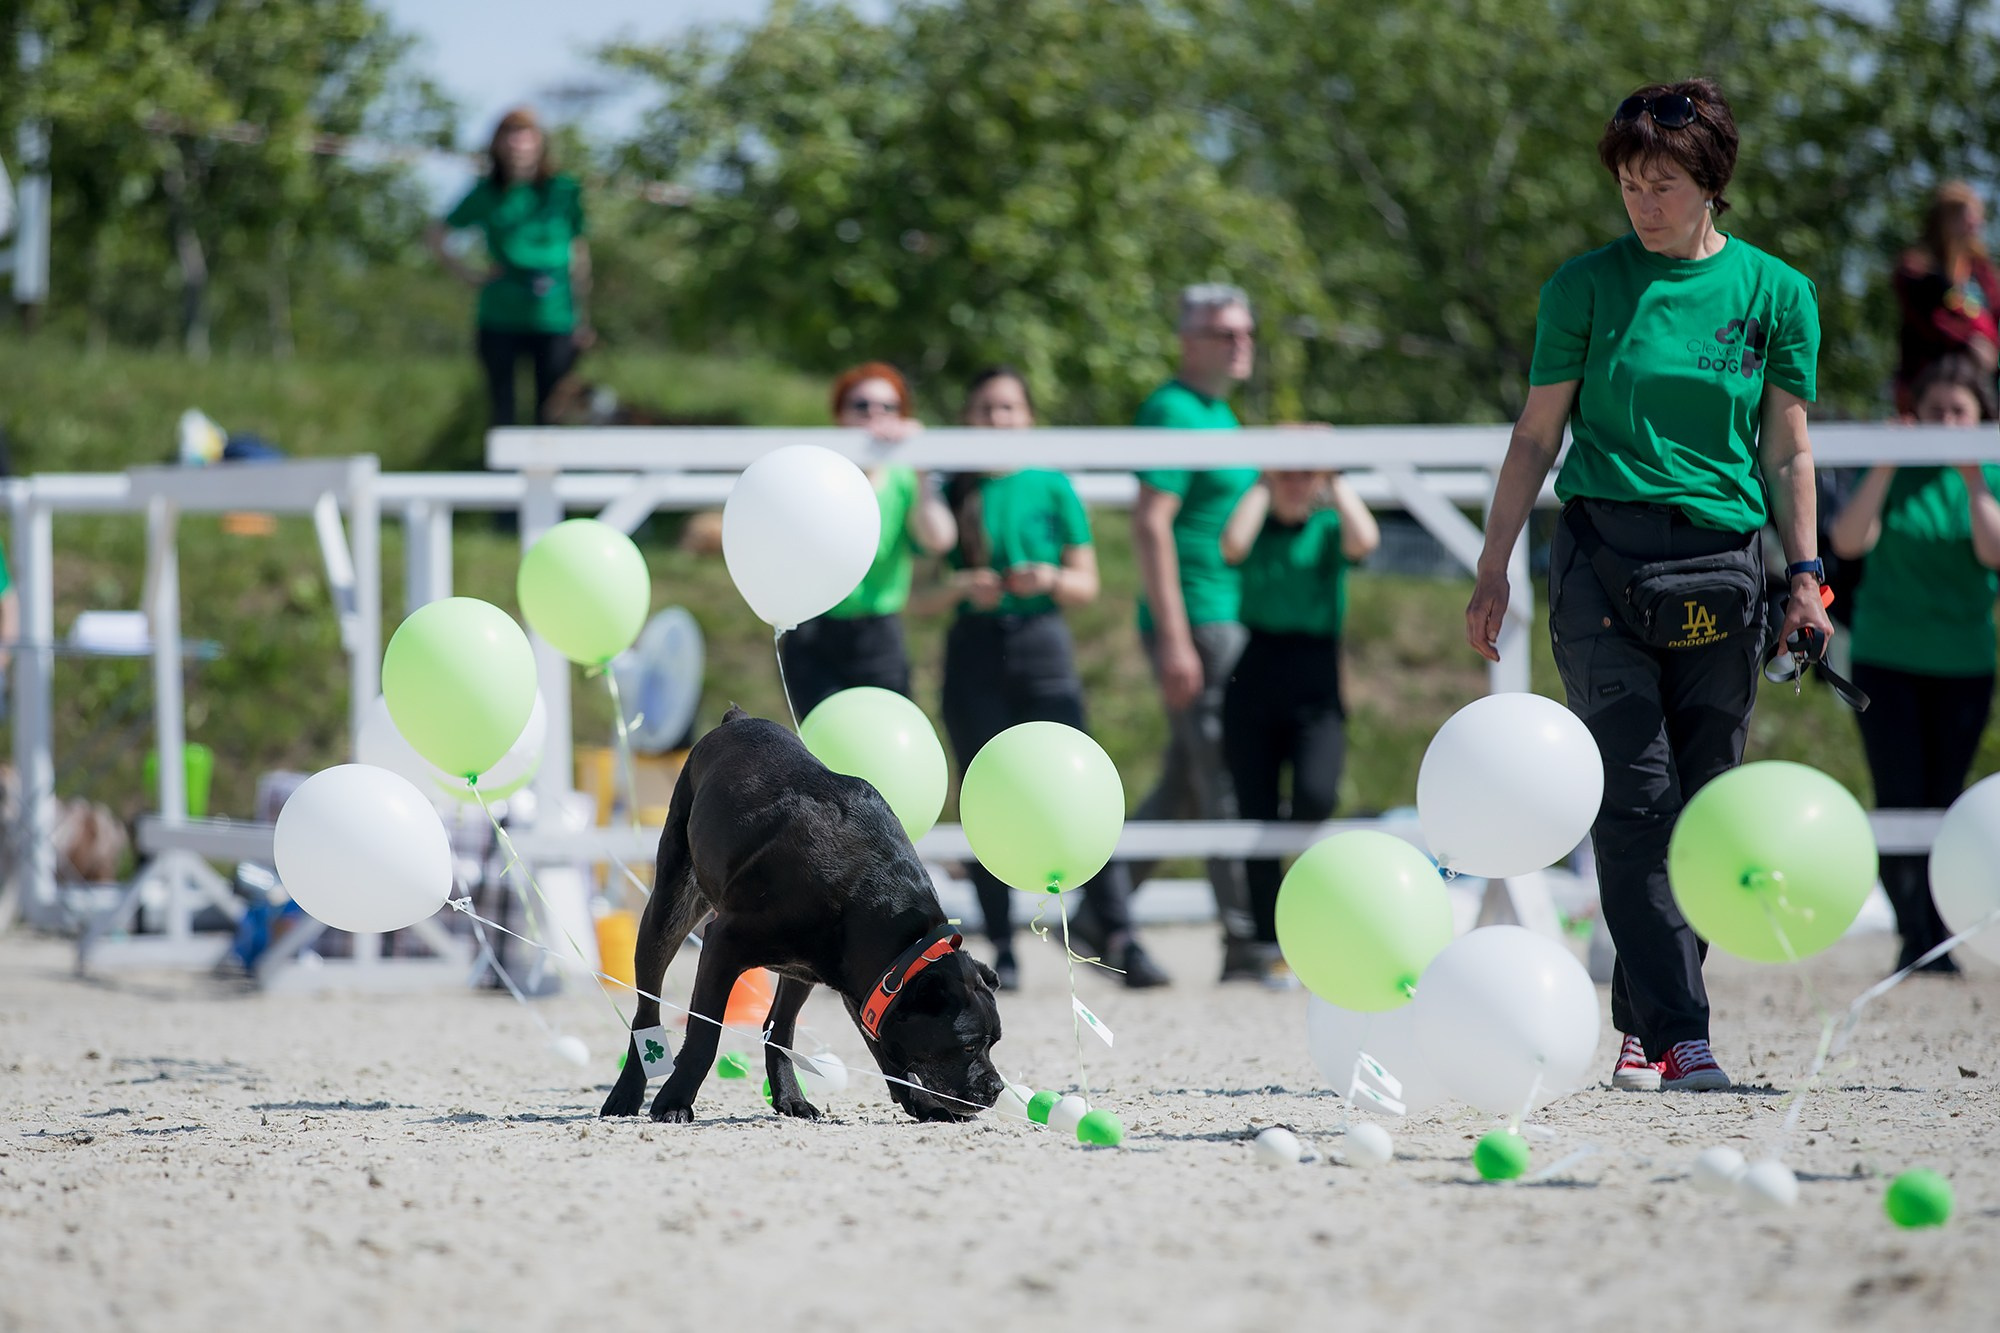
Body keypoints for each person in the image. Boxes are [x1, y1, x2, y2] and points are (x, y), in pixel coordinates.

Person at [1465, 79, 1832, 1093]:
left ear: (1709, 183)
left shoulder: (1776, 294)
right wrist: (1492, 561)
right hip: (1600, 563)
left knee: (1703, 810)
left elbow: (1787, 452)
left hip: (1722, 563)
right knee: (1631, 801)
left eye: (1661, 183)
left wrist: (1804, 577)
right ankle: (1680, 1036)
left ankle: (1643, 1022)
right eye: (1627, 183)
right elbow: (1535, 434)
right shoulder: (1581, 286)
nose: (1640, 201)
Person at [926, 368, 1168, 991]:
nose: (997, 420)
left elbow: (1087, 582)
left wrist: (1050, 580)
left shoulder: (1052, 485)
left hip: (1042, 645)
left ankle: (1117, 932)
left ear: (1028, 416)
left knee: (1080, 785)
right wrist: (961, 587)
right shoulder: (952, 490)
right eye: (984, 408)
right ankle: (1002, 947)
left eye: (1008, 407)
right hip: (974, 648)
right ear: (968, 419)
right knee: (984, 793)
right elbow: (917, 593)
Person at [1829, 353, 2000, 974]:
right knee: (1897, 797)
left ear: (1983, 417)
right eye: (1936, 412)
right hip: (1886, 658)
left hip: (1965, 662)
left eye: (1961, 412)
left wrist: (1974, 477)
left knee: (1946, 800)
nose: (1947, 423)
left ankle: (1941, 935)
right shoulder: (1892, 470)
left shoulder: (1991, 472)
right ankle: (1915, 938)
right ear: (1913, 415)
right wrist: (1885, 462)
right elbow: (1847, 540)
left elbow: (1995, 552)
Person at [1130, 283, 1263, 980]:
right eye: (1225, 333)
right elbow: (1151, 522)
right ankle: (1243, 941)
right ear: (1189, 340)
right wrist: (1175, 638)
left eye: (1246, 332)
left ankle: (1103, 905)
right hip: (1197, 618)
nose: (1242, 343)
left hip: (1229, 612)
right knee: (1220, 777)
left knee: (1189, 779)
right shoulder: (1172, 410)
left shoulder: (1221, 414)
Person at [1219, 470, 1380, 986]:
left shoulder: (1330, 528)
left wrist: (1332, 478)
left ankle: (1301, 910)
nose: (1294, 481)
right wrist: (1267, 485)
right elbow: (1232, 545)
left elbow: (1367, 539)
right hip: (1256, 669)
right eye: (1284, 471)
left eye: (1303, 472)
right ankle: (1268, 943)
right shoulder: (1257, 524)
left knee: (1315, 796)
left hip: (1315, 674)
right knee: (1255, 811)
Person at [777, 362, 955, 717]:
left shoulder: (905, 478)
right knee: (818, 754)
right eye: (861, 406)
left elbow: (939, 539)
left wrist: (920, 465)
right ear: (839, 415)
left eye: (889, 407)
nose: (875, 415)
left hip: (879, 633)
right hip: (812, 629)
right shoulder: (815, 473)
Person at [428, 108, 591, 430]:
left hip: (555, 314)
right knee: (503, 407)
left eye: (525, 133)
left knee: (553, 409)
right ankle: (502, 479)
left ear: (540, 141)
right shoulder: (487, 192)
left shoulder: (563, 190)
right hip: (501, 314)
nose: (518, 143)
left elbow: (579, 251)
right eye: (510, 134)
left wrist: (584, 316)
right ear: (498, 144)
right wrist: (469, 274)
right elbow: (436, 235)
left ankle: (548, 478)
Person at [1892, 182, 2000, 417]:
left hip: (1980, 383)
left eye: (1977, 218)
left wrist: (1991, 346)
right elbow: (1927, 320)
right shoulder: (1918, 269)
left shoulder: (1981, 270)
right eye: (1967, 217)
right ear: (1945, 219)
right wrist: (1967, 341)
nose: (1975, 225)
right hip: (1930, 382)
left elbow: (1994, 312)